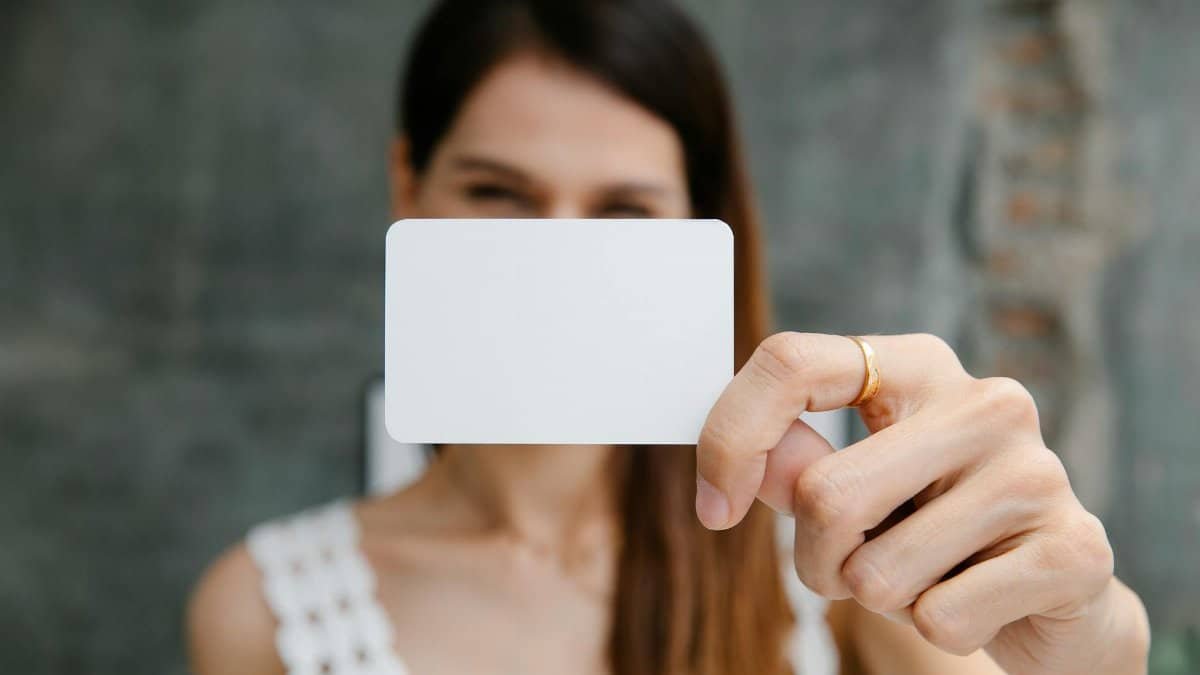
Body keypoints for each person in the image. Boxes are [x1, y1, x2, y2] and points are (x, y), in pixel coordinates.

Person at [186, 1, 1150, 673]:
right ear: (409, 189)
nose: (556, 260)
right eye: (496, 193)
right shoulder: (258, 609)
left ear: (701, 227)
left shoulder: (833, 559)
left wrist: (1094, 639)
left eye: (623, 212)